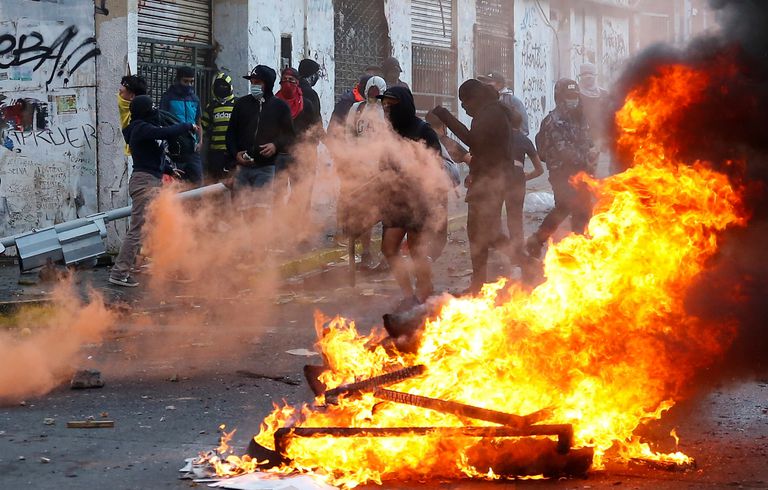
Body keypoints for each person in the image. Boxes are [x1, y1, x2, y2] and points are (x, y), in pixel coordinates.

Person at [432, 79, 515, 294]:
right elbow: (485, 150)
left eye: (464, 101)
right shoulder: (491, 111)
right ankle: (480, 282)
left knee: (486, 234)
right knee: (482, 234)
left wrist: (446, 117)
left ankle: (526, 265)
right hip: (489, 179)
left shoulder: (490, 114)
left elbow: (473, 141)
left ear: (475, 98)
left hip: (492, 182)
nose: (463, 107)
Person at [109, 95, 196, 287]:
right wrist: (187, 126)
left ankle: (170, 268)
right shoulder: (140, 127)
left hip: (150, 180)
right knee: (138, 230)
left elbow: (149, 155)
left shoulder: (141, 129)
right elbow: (165, 132)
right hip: (144, 183)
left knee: (161, 226)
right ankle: (119, 272)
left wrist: (168, 169)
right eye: (152, 107)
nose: (156, 110)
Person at [379, 86, 442, 310]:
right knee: (388, 248)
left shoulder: (424, 130)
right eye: (384, 104)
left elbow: (436, 165)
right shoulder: (388, 132)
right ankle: (408, 295)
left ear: (403, 104)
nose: (387, 108)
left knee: (416, 250)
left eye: (391, 104)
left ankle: (425, 290)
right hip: (393, 200)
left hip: (418, 199)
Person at [526, 78, 597, 259]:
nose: (573, 99)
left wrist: (593, 152)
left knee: (584, 209)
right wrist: (585, 160)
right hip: (562, 173)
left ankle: (579, 246)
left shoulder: (579, 117)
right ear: (559, 97)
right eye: (569, 96)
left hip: (582, 172)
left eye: (575, 95)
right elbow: (564, 150)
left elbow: (587, 140)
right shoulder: (553, 121)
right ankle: (537, 240)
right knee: (565, 207)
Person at [342, 76, 388, 269]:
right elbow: (348, 135)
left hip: (382, 169)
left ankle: (387, 254)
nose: (373, 94)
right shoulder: (357, 109)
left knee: (387, 213)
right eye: (371, 90)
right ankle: (366, 251)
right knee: (363, 212)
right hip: (360, 169)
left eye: (377, 91)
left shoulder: (388, 111)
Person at [226, 65, 295, 193]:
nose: (253, 86)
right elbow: (230, 134)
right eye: (251, 82)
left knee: (260, 209)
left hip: (266, 168)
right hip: (241, 168)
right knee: (240, 209)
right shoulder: (241, 104)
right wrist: (235, 153)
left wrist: (275, 145)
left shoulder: (280, 107)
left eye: (257, 82)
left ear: (267, 84)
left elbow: (289, 136)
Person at [273, 67, 320, 223]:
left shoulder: (306, 104)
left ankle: (298, 226)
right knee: (277, 193)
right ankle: (277, 227)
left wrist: (309, 152)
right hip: (278, 155)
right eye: (284, 80)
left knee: (300, 192)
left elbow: (313, 128)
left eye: (291, 80)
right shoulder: (274, 103)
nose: (288, 84)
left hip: (300, 155)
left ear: (297, 82)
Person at [503, 109, 544, 260]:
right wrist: (524, 177)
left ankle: (495, 246)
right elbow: (540, 170)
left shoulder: (499, 138)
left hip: (498, 176)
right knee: (515, 217)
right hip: (517, 178)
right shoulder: (525, 140)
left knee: (490, 215)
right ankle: (517, 254)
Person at [160, 66, 204, 186]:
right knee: (176, 185)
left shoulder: (195, 99)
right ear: (178, 80)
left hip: (192, 149)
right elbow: (162, 122)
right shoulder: (168, 97)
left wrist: (200, 141)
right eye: (185, 81)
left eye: (191, 81)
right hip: (175, 150)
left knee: (198, 184)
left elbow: (199, 122)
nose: (189, 85)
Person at [201, 72, 236, 182]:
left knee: (233, 180)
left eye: (225, 86)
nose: (221, 88)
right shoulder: (211, 106)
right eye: (219, 86)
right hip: (216, 152)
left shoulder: (237, 104)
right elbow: (203, 126)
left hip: (233, 151)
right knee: (215, 181)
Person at [578, 62, 610, 168]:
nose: (588, 80)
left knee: (595, 163)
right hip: (580, 134)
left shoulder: (603, 94)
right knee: (581, 164)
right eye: (585, 77)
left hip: (598, 135)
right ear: (581, 77)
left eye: (590, 77)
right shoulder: (575, 94)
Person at [478, 71, 529, 136]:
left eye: (489, 82)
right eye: (484, 82)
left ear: (500, 84)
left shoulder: (512, 101)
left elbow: (524, 129)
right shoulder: (483, 101)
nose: (485, 84)